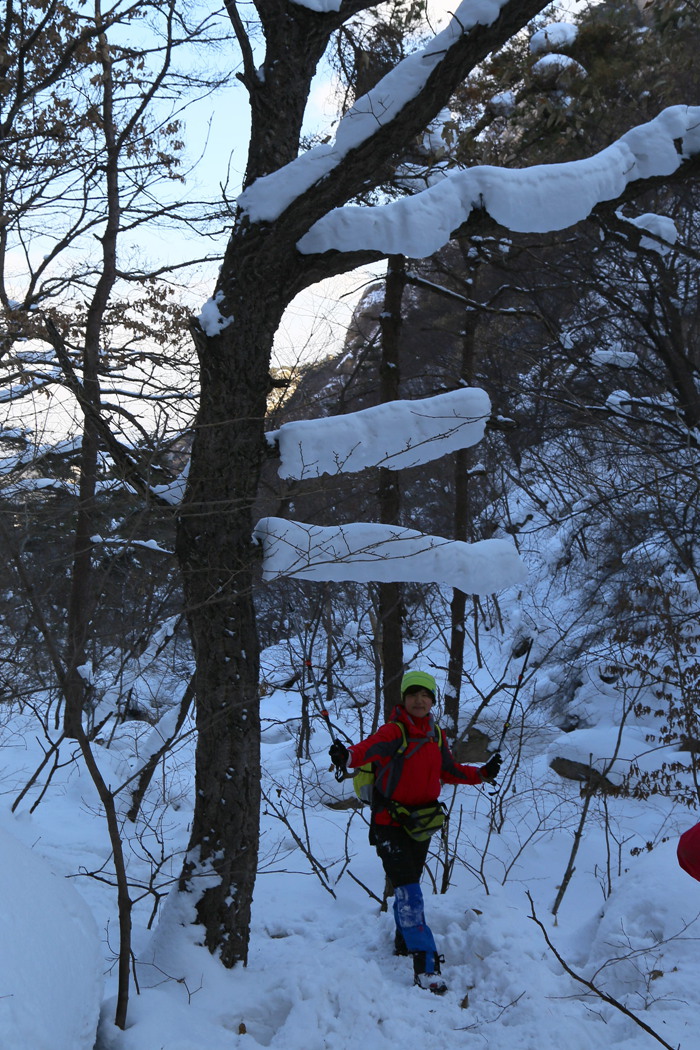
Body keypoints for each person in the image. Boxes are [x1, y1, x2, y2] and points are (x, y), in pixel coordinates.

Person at [329, 669, 501, 995]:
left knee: (409, 887)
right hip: (388, 825)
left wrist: (482, 774)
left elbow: (448, 770)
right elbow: (370, 748)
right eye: (413, 694)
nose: (419, 700)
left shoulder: (435, 734)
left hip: (420, 824)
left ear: (432, 701)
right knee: (409, 890)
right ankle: (426, 964)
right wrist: (348, 756)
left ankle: (403, 942)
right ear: (404, 699)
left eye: (425, 695)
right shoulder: (394, 731)